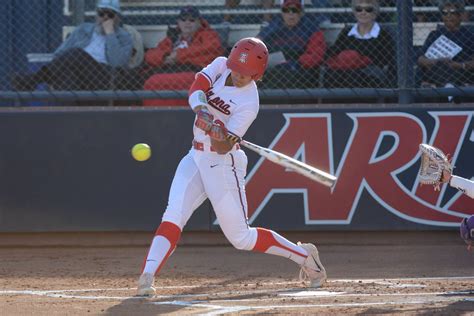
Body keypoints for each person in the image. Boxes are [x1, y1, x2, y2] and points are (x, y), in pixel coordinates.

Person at [136, 37, 327, 296]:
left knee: (241, 238)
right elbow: (196, 88)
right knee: (173, 215)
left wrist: (217, 130)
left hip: (223, 164)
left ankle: (306, 257)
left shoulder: (249, 103)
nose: (238, 75)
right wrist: (203, 111)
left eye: (246, 73)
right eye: (237, 68)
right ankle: (147, 277)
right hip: (195, 156)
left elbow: (224, 147)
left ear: (257, 75)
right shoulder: (219, 65)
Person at [12, 0, 133, 92]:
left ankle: (33, 80)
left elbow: (117, 63)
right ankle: (70, 117)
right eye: (102, 13)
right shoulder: (83, 29)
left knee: (76, 53)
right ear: (96, 15)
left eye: (110, 15)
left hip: (104, 76)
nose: (105, 17)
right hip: (76, 72)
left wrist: (110, 34)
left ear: (117, 18)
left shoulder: (124, 37)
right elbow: (60, 53)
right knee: (68, 74)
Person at [143, 6, 224, 106]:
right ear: (178, 22)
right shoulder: (173, 38)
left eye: (192, 20)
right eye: (183, 19)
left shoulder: (207, 35)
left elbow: (210, 50)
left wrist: (178, 56)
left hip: (193, 71)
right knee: (151, 81)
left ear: (199, 22)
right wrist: (164, 57)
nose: (187, 22)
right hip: (167, 70)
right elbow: (150, 55)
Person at [323, 0, 396, 88]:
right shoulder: (347, 32)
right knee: (331, 75)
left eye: (368, 9)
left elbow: (386, 59)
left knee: (354, 76)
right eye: (359, 9)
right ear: (354, 12)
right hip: (346, 70)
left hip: (370, 72)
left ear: (375, 13)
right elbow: (336, 51)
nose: (363, 12)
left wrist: (359, 59)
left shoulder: (383, 34)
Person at [257, 0, 327, 89]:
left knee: (283, 74)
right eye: (286, 10)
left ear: (301, 13)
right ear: (282, 13)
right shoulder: (273, 26)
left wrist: (297, 63)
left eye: (295, 10)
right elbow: (256, 44)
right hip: (272, 68)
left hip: (299, 70)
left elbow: (316, 54)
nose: (291, 14)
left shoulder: (311, 27)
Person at [417, 0, 474, 90]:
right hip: (436, 70)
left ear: (460, 15)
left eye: (452, 12)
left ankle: (445, 86)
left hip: (459, 73)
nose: (448, 16)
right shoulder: (434, 34)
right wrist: (435, 61)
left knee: (449, 70)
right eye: (444, 13)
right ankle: (448, 88)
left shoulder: (469, 36)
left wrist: (459, 65)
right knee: (441, 66)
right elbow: (420, 59)